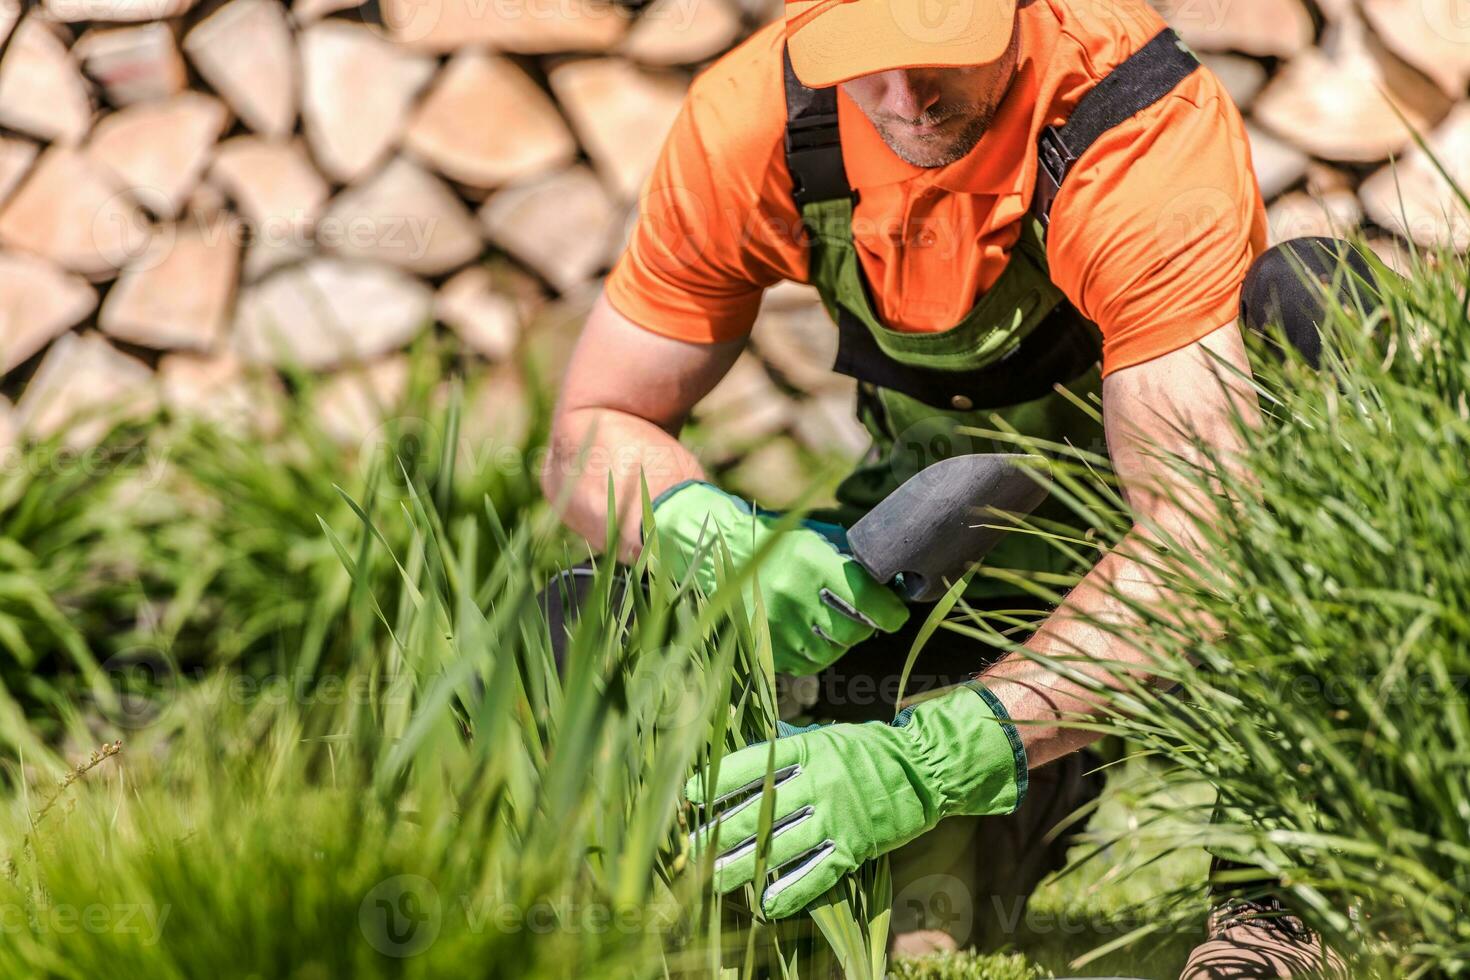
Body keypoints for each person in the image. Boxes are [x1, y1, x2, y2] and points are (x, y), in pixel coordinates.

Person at [540, 0, 1379, 972]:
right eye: (864, 63)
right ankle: (694, 904)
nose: (906, 98)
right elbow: (588, 436)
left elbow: (1206, 535)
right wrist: (721, 539)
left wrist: (942, 755)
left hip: (1158, 581)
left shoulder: (1130, 127)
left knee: (1313, 309)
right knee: (587, 613)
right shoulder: (750, 121)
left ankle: (1275, 906)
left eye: (937, 49)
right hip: (946, 589)